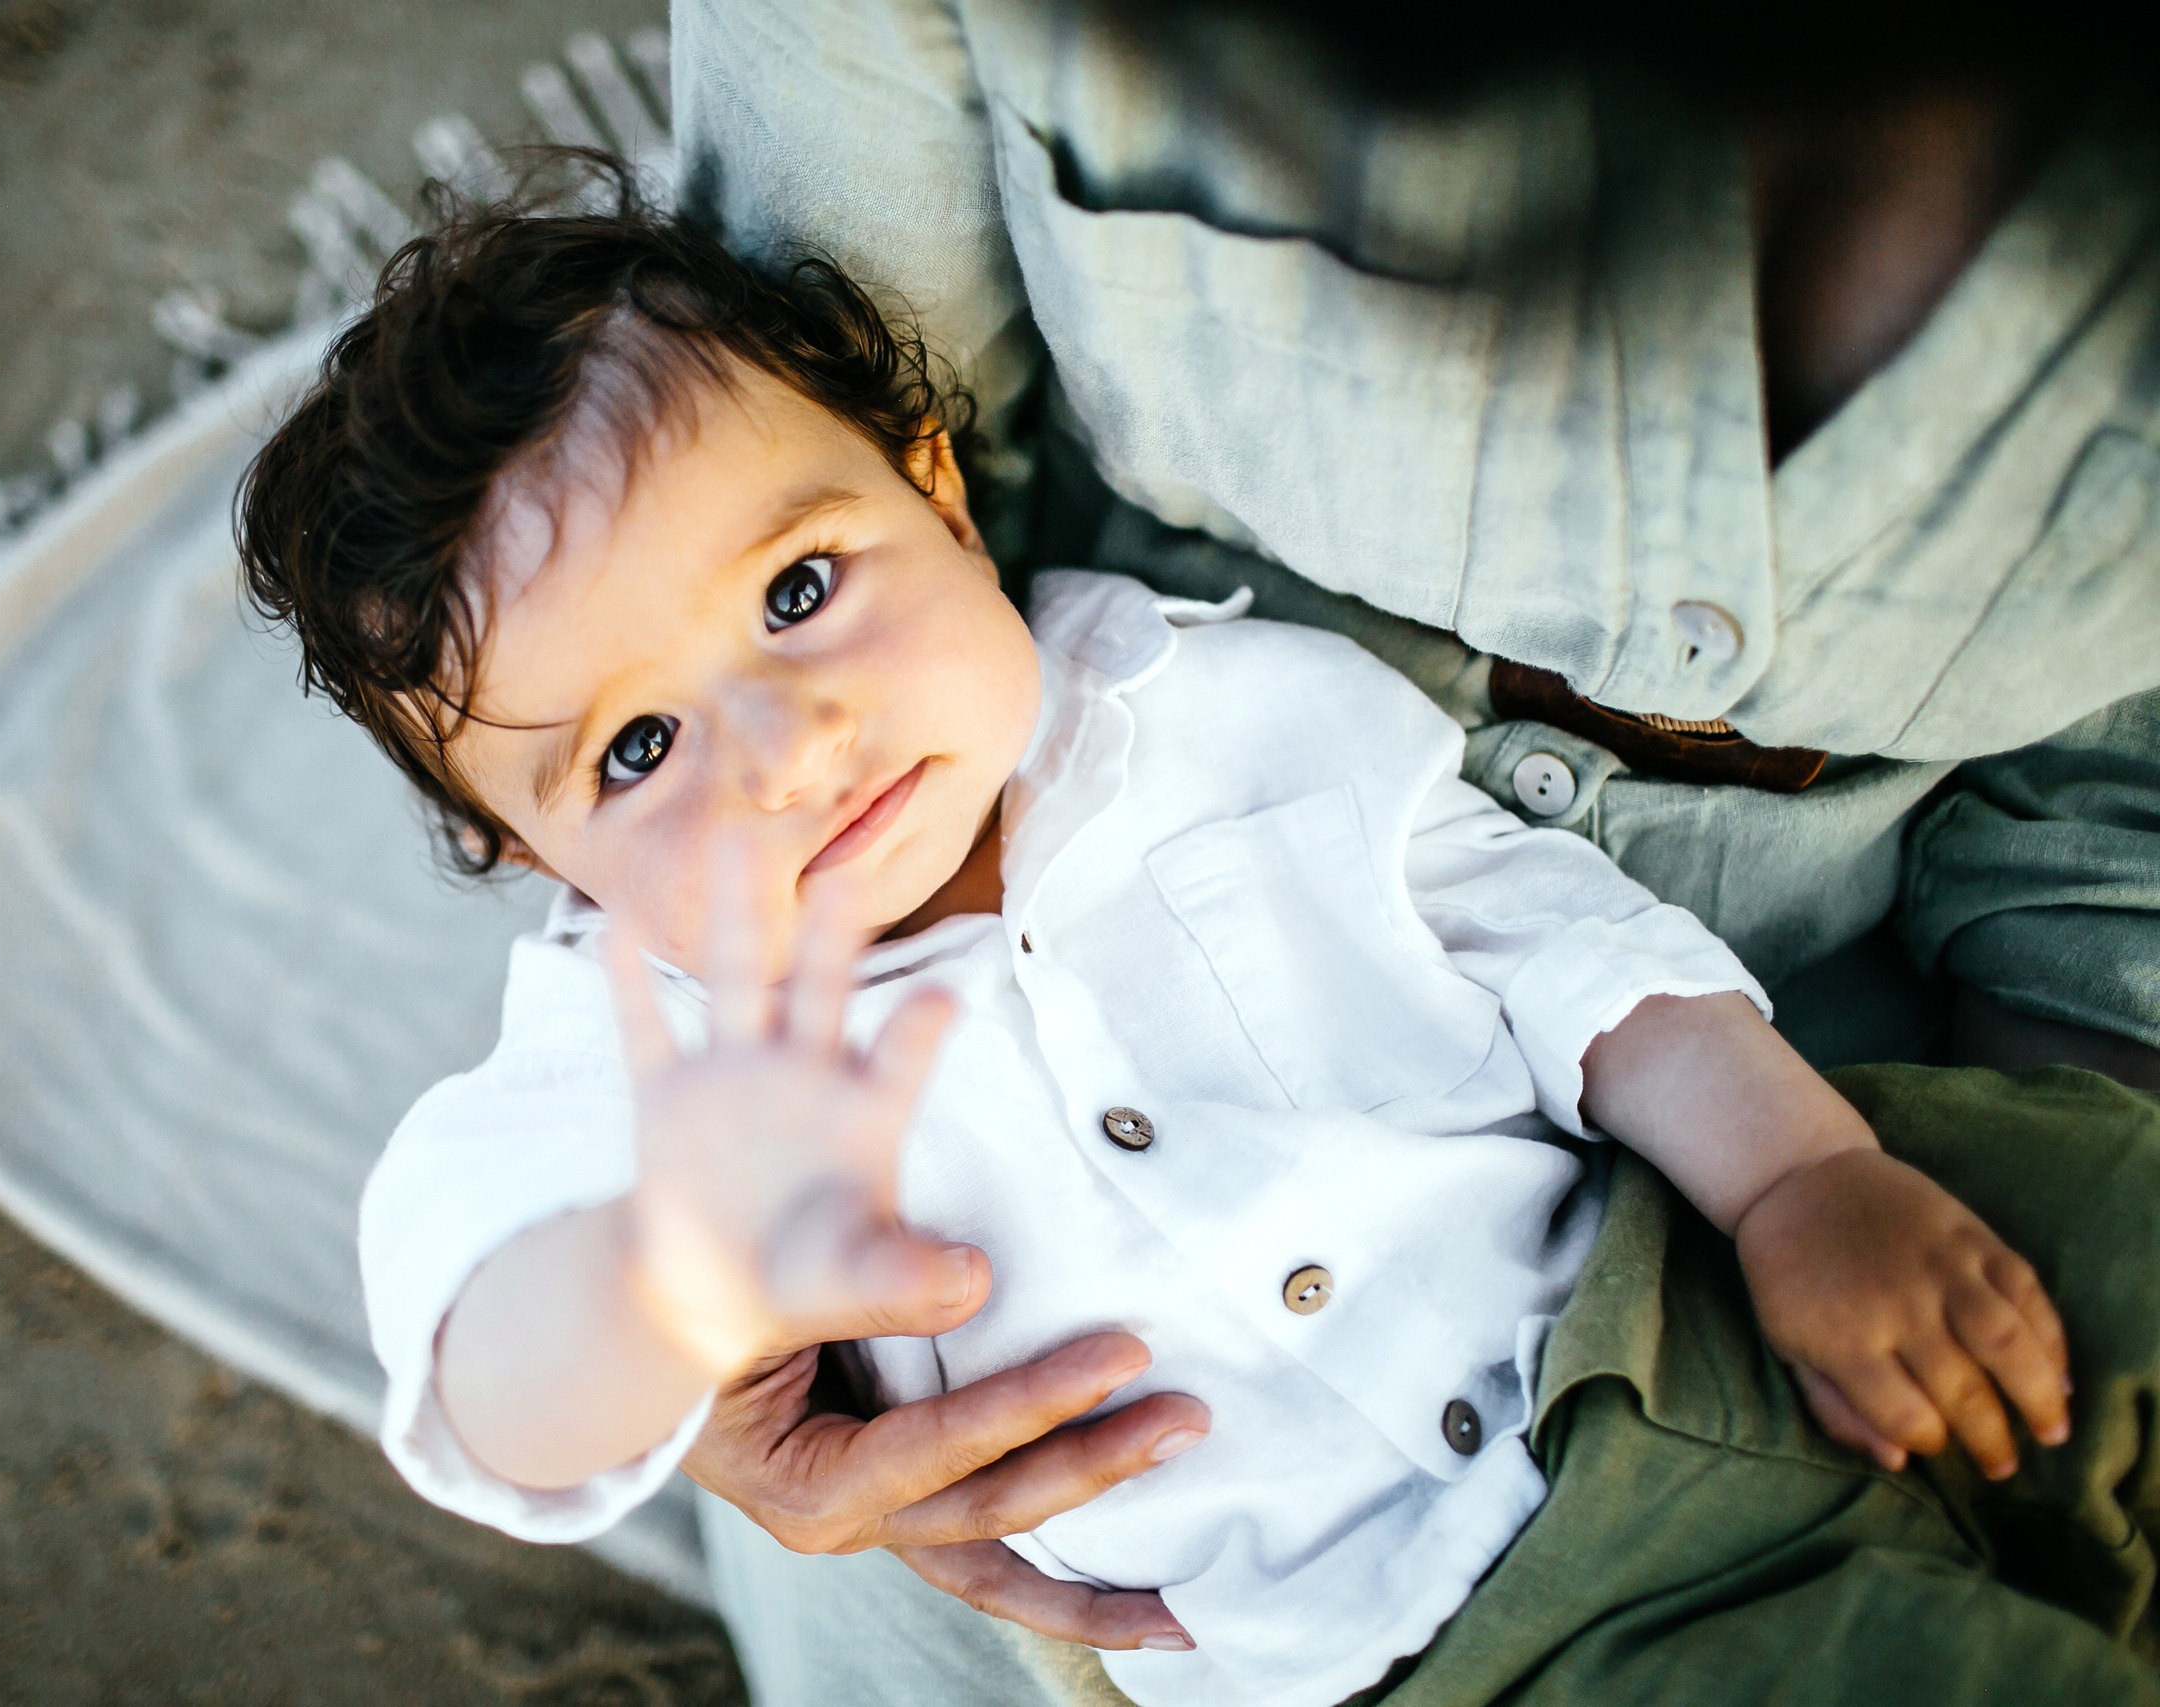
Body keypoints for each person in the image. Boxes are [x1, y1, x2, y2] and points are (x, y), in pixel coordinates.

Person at [233, 185, 2160, 1706]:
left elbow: (1557, 949)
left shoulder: (1216, 699)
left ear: (933, 487)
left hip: (1673, 1288)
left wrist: (1803, 1181)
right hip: (1448, 1639)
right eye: (638, 750)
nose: (788, 749)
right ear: (534, 853)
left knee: (2110, 1219)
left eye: (799, 589)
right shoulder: (633, 1047)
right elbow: (486, 1372)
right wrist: (660, 1281)